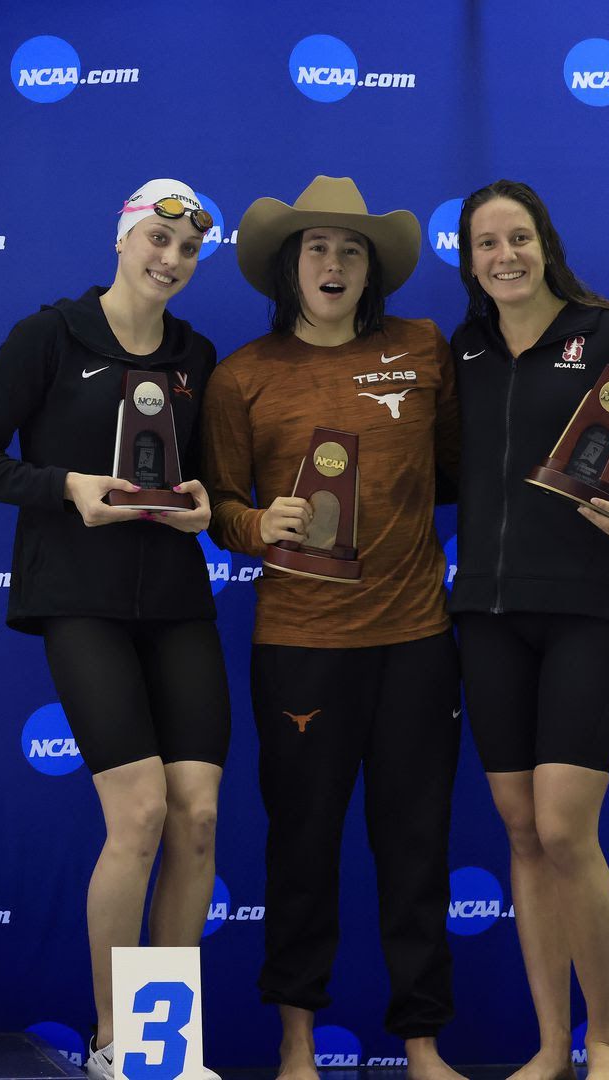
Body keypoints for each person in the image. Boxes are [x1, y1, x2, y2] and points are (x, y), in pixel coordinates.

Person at [0, 180, 226, 1080]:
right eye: (157, 240)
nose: (170, 260)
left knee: (197, 819)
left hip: (176, 602)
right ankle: (116, 1044)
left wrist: (206, 507)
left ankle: (165, 1050)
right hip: (79, 598)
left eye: (188, 251)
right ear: (122, 238)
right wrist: (66, 488)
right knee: (139, 814)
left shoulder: (196, 355)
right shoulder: (51, 336)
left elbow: (206, 482)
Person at [198, 176, 465, 1080]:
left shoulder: (423, 348)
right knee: (302, 849)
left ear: (372, 270)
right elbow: (219, 506)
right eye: (317, 247)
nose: (335, 262)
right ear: (289, 266)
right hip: (300, 646)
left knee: (417, 848)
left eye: (352, 250)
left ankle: (423, 1046)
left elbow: (458, 468)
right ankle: (296, 1047)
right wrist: (255, 523)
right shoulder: (241, 375)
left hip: (416, 640)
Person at [448, 180, 609, 1080]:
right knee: (522, 832)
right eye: (486, 244)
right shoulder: (465, 351)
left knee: (565, 829)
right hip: (485, 615)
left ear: (546, 243)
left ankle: (605, 1042)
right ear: (469, 262)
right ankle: (549, 1047)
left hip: (587, 611)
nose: (505, 256)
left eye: (518, 237)